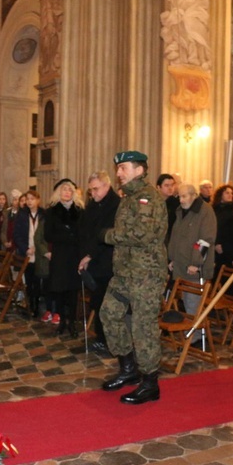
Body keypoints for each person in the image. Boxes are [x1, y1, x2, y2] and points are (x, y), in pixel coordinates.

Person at [99, 151, 168, 405]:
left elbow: (141, 234)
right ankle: (128, 369)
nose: (119, 173)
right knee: (109, 313)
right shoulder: (128, 197)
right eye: (118, 168)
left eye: (124, 168)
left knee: (143, 328)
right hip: (125, 273)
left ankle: (150, 383)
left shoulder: (148, 198)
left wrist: (107, 235)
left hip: (146, 274)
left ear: (139, 170)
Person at [78, 171, 120, 352]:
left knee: (106, 304)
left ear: (106, 185)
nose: (92, 194)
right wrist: (85, 254)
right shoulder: (93, 204)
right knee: (97, 301)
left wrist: (90, 255)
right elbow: (87, 230)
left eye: (95, 189)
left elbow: (108, 235)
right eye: (90, 191)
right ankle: (99, 337)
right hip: (93, 260)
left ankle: (108, 341)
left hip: (107, 261)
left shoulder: (115, 205)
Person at [167, 183, 217, 314]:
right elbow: (176, 237)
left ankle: (196, 335)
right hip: (181, 265)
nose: (181, 200)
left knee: (194, 308)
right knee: (186, 305)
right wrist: (172, 259)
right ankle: (188, 334)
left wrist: (196, 263)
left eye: (184, 196)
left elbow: (205, 240)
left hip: (195, 269)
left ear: (194, 195)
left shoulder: (205, 212)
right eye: (179, 196)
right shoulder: (180, 211)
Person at [44, 178, 84, 337]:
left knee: (73, 292)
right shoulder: (51, 211)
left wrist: (70, 235)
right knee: (59, 290)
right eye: (64, 190)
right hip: (60, 255)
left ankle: (72, 323)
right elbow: (48, 235)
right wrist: (68, 235)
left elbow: (82, 233)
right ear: (58, 192)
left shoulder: (80, 210)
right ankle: (61, 322)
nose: (67, 193)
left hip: (74, 255)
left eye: (70, 190)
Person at [14, 189, 46, 318]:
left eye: (32, 199)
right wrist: (25, 248)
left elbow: (46, 234)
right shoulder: (22, 215)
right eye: (27, 199)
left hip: (39, 253)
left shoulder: (44, 214)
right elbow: (17, 235)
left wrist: (40, 248)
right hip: (27, 253)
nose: (29, 201)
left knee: (38, 281)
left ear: (38, 200)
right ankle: (30, 305)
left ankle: (37, 306)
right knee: (29, 280)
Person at [212, 183, 233, 275]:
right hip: (213, 245)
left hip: (227, 247)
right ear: (220, 195)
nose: (230, 195)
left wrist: (221, 243)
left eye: (232, 193)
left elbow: (230, 231)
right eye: (227, 193)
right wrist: (215, 243)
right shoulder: (213, 210)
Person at [156, 173, 179, 244]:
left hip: (171, 239)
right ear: (158, 187)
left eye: (172, 185)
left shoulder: (178, 204)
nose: (170, 188)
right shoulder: (153, 203)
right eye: (166, 185)